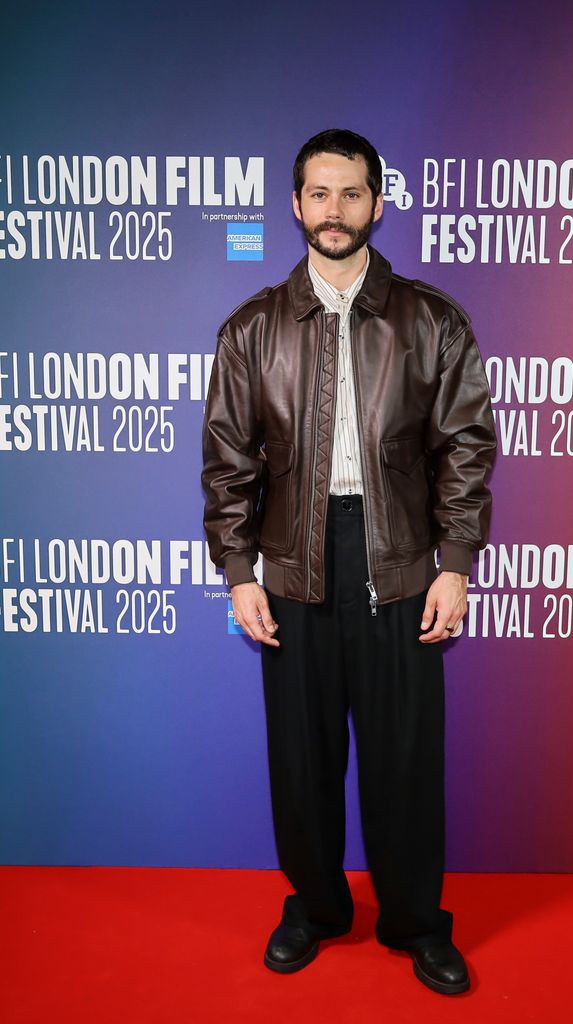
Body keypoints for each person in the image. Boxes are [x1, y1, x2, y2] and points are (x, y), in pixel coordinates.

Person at [201, 129, 496, 995]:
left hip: (400, 561)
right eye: (319, 194)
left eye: (352, 193)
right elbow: (228, 461)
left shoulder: (431, 319)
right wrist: (239, 571)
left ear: (378, 202)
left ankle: (414, 922)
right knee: (302, 757)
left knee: (405, 758)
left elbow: (465, 448)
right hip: (293, 564)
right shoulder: (253, 328)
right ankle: (318, 909)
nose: (335, 211)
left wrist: (457, 562)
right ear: (296, 206)